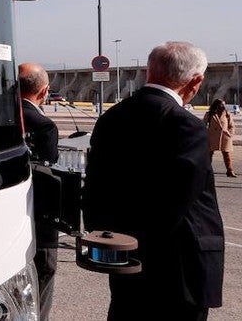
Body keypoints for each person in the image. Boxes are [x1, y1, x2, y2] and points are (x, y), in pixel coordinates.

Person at [83, 41, 224, 320]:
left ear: (150, 72)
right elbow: (177, 201)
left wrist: (109, 241)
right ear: (195, 81)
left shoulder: (111, 118)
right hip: (177, 266)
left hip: (124, 257)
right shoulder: (184, 124)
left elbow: (95, 188)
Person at [18, 62, 59, 319]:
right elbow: (49, 165)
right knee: (44, 273)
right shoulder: (44, 126)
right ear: (44, 92)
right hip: (39, 216)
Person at [203, 98, 237, 178]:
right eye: (221, 104)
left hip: (225, 137)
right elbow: (203, 125)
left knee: (227, 155)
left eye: (224, 104)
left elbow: (232, 126)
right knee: (209, 154)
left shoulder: (227, 114)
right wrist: (206, 134)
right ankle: (207, 170)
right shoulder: (209, 114)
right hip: (212, 137)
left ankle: (230, 170)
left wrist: (229, 134)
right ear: (216, 105)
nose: (223, 106)